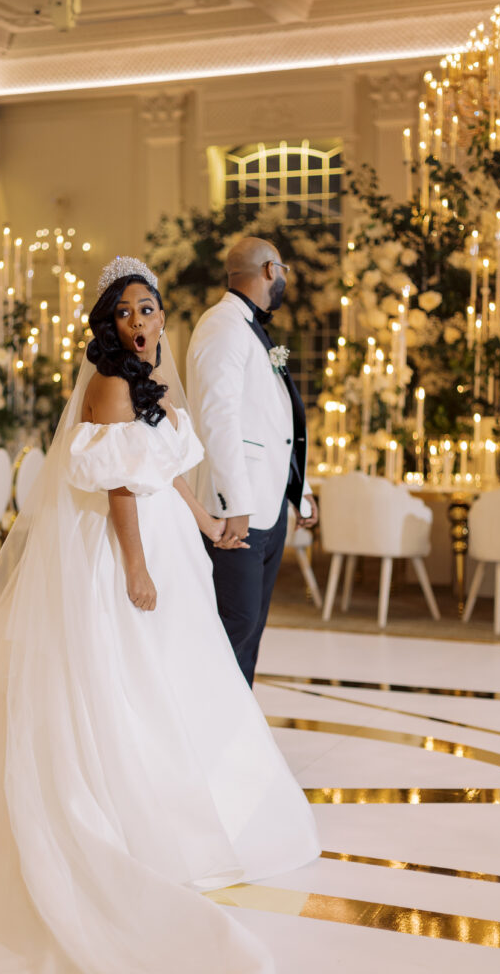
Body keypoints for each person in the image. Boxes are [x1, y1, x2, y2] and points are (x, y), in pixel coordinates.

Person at [0, 257, 319, 974]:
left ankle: (185, 794)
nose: (139, 322)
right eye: (124, 312)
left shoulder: (149, 383)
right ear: (108, 324)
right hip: (125, 548)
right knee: (123, 674)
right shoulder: (111, 385)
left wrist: (207, 526)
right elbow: (123, 487)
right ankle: (128, 809)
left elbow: (163, 473)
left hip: (167, 542)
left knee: (175, 670)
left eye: (147, 309)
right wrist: (135, 568)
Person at [187, 236, 319, 687]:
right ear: (268, 270)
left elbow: (274, 425)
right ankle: (210, 738)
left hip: (266, 509)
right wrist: (233, 502)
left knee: (249, 633)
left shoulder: (250, 329)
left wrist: (302, 492)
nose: (284, 279)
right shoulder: (222, 326)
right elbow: (216, 418)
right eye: (283, 269)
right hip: (237, 514)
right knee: (231, 629)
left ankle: (236, 738)